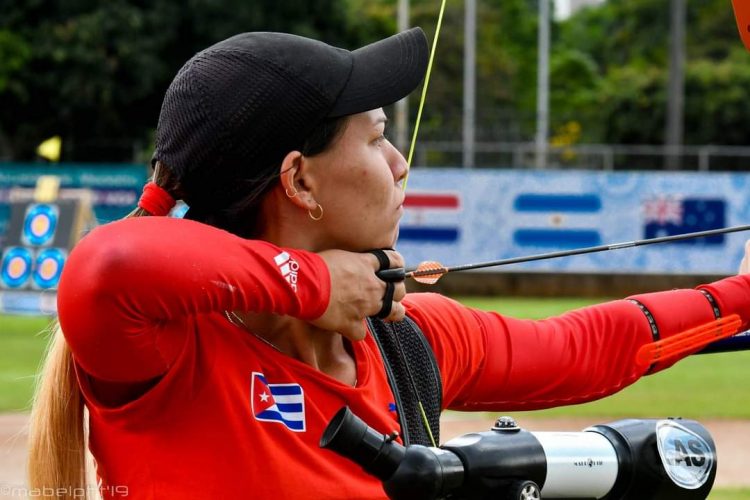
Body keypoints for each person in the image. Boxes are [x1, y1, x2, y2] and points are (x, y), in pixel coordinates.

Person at [27, 27, 750, 500]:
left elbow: (588, 345)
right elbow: (109, 263)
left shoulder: (406, 343)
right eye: (376, 139)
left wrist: (743, 296)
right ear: (299, 180)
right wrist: (314, 286)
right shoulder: (168, 352)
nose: (399, 165)